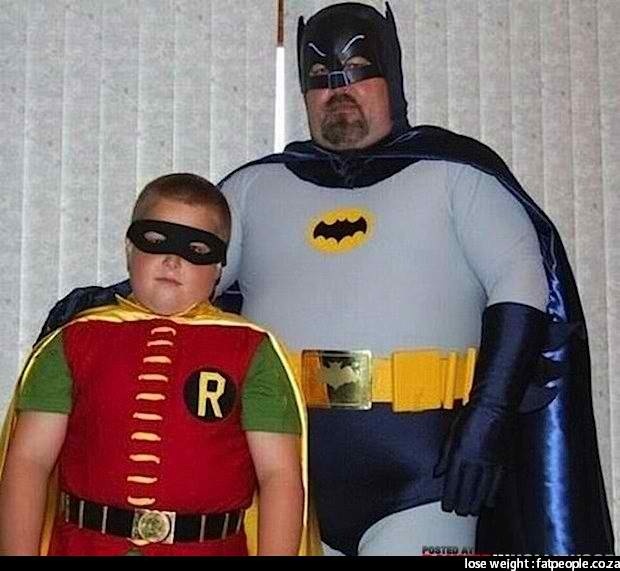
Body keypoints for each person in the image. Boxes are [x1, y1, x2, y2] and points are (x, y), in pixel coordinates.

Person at [27, 2, 613, 556]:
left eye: (359, 70)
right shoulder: (256, 189)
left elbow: (524, 290)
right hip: (288, 470)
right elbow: (181, 285)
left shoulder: (459, 177)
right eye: (321, 76)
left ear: (394, 78)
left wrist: (490, 420)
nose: (340, 90)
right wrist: (99, 307)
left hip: (424, 475)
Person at [0, 173, 305, 556]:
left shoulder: (254, 351)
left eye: (197, 248)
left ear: (219, 270)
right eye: (156, 240)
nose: (173, 260)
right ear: (130, 249)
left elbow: (279, 476)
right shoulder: (72, 341)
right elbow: (28, 461)